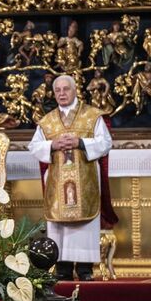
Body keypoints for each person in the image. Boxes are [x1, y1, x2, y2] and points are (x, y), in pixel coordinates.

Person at [29, 74, 112, 281]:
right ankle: (62, 268)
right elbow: (34, 146)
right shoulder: (47, 121)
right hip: (58, 181)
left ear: (75, 91)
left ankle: (85, 269)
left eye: (66, 89)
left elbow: (105, 142)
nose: (62, 93)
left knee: (84, 226)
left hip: (85, 179)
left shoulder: (92, 116)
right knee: (60, 225)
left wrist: (81, 142)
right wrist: (52, 145)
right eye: (58, 90)